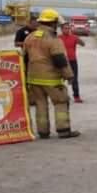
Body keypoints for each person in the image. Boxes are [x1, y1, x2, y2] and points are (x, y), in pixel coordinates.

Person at [23, 8, 80, 139]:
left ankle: (43, 132)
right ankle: (63, 130)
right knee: (61, 101)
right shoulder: (53, 39)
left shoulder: (30, 37)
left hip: (33, 78)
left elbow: (25, 58)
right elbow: (60, 60)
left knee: (40, 105)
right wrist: (69, 76)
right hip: (51, 79)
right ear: (53, 22)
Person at [59, 21, 86, 103]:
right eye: (65, 28)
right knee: (60, 79)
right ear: (61, 29)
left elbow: (83, 44)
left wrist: (78, 39)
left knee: (74, 79)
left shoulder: (74, 37)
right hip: (62, 61)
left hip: (73, 61)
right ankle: (60, 96)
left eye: (68, 28)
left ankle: (76, 96)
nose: (67, 30)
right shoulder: (58, 38)